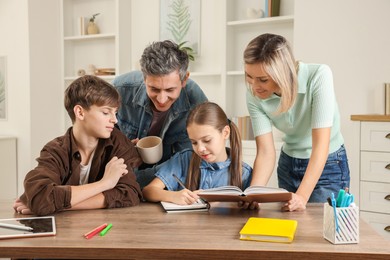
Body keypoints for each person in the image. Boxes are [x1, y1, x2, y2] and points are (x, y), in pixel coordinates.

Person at [243, 33, 350, 212]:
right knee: (290, 228)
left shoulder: (319, 76)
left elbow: (320, 147)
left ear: (282, 73)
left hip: (328, 164)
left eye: (263, 79)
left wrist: (302, 196)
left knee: (319, 231)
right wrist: (253, 193)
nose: (254, 86)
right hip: (289, 164)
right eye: (249, 76)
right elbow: (265, 152)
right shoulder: (253, 94)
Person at [13, 75, 143, 216]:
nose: (115, 119)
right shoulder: (55, 150)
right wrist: (105, 183)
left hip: (105, 227)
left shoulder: (117, 141)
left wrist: (57, 205)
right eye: (106, 112)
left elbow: (130, 193)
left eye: (115, 112)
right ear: (80, 112)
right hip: (64, 232)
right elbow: (40, 196)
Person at [112, 40, 207, 189]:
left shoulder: (196, 100)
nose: (162, 100)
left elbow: (192, 160)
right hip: (120, 178)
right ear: (144, 78)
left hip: (166, 184)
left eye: (170, 90)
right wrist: (122, 148)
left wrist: (142, 181)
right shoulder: (119, 90)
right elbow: (96, 141)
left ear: (184, 79)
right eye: (154, 89)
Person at [143, 102, 252, 205]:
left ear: (225, 133)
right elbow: (149, 191)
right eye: (194, 142)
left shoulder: (244, 173)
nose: (200, 149)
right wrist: (173, 196)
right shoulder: (183, 160)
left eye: (207, 140)